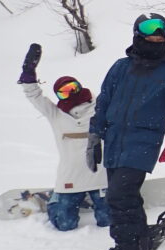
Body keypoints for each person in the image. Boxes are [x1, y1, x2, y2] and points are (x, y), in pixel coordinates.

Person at [88, 14, 165, 250]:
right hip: (115, 140)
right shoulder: (120, 67)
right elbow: (104, 101)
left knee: (119, 195)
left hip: (143, 141)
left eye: (161, 34)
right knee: (124, 195)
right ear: (137, 35)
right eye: (150, 32)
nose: (156, 37)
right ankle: (138, 239)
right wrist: (95, 135)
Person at [17, 43, 109, 230]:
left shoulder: (99, 106)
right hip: (71, 177)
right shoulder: (55, 114)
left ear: (80, 87)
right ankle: (56, 199)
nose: (71, 93)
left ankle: (95, 198)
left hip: (101, 176)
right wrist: (28, 73)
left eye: (73, 88)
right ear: (59, 96)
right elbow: (34, 95)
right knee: (64, 224)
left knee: (109, 221)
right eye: (64, 92)